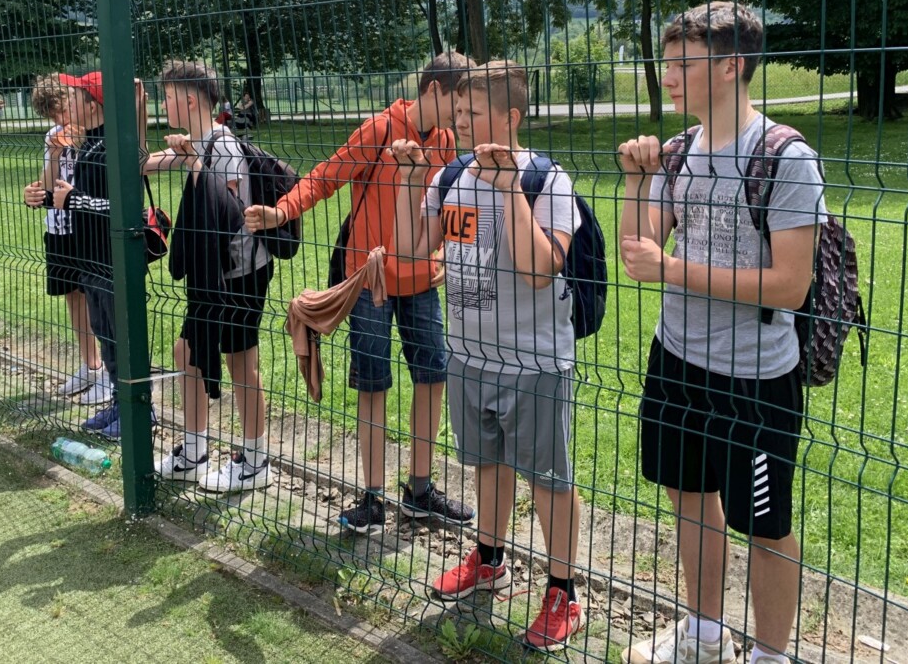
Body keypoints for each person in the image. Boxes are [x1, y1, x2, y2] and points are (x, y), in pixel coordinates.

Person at [618, 3, 826, 664]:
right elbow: (639, 251)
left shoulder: (786, 157)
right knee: (688, 497)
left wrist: (674, 268)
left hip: (756, 377)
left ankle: (770, 656)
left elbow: (790, 285)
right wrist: (637, 180)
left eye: (684, 63)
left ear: (732, 66)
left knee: (765, 525)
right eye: (667, 62)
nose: (668, 76)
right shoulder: (680, 153)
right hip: (677, 360)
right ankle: (705, 637)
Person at [391, 61, 586, 651]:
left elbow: (537, 271)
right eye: (458, 111)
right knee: (485, 463)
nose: (461, 121)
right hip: (469, 356)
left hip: (535, 363)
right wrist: (410, 180)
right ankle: (490, 558)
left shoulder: (548, 181)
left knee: (549, 479)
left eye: (473, 112)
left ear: (511, 117)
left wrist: (507, 189)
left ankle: (563, 592)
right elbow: (411, 252)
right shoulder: (450, 178)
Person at [245, 52, 474, 531]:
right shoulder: (380, 129)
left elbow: (449, 206)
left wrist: (445, 256)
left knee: (432, 376)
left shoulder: (447, 141)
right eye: (458, 100)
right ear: (434, 89)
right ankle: (372, 498)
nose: (462, 112)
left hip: (421, 281)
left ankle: (419, 491)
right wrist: (281, 212)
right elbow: (325, 176)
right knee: (373, 384)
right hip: (370, 283)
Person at [148, 60, 274, 493]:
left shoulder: (222, 148)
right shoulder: (200, 143)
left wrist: (191, 163)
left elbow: (230, 215)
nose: (163, 104)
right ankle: (194, 452)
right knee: (187, 352)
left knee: (241, 363)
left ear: (188, 100)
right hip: (212, 275)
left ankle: (256, 462)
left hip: (239, 273)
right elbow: (150, 162)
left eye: (166, 97)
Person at [24, 72, 149, 441]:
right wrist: (40, 197)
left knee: (122, 337)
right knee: (105, 333)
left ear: (93, 105)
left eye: (75, 97)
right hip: (89, 257)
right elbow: (69, 197)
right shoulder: (90, 143)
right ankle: (119, 401)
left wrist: (73, 199)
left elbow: (124, 208)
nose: (69, 103)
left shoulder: (113, 145)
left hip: (112, 261)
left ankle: (140, 411)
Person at [30, 74, 109, 405]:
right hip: (59, 227)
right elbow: (47, 186)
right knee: (72, 296)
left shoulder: (94, 135)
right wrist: (53, 155)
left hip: (86, 226)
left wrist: (76, 144)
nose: (61, 119)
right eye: (53, 116)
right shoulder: (54, 135)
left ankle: (110, 372)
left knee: (98, 297)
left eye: (63, 109)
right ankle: (90, 365)